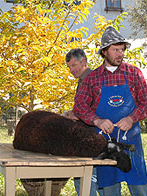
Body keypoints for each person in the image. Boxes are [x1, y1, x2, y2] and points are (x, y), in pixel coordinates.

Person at [73, 26, 147, 196]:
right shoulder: (92, 78)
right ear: (104, 52)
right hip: (105, 145)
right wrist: (97, 121)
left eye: (122, 49)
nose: (120, 53)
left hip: (131, 142)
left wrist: (132, 119)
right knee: (109, 190)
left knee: (139, 189)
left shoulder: (133, 73)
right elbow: (79, 106)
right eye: (115, 49)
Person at [65, 48, 103, 196]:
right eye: (69, 67)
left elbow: (99, 109)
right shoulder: (84, 80)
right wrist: (75, 113)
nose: (71, 70)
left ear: (84, 62)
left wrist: (78, 116)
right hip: (89, 135)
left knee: (85, 179)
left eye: (74, 65)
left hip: (92, 135)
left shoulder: (91, 80)